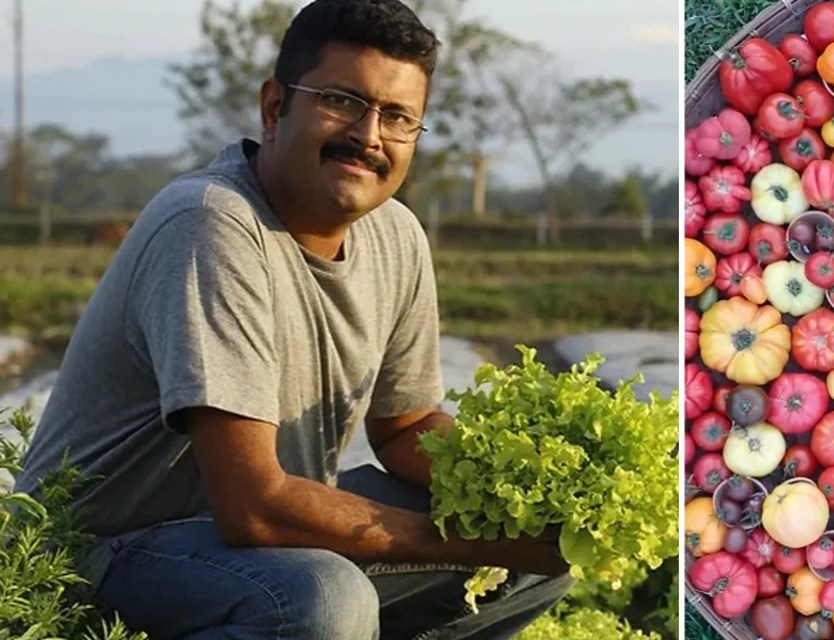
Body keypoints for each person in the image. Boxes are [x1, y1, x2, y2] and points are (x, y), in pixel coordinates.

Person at [13, 0, 573, 638]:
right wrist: (479, 546)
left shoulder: (397, 236)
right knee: (320, 598)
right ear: (276, 107)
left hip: (248, 547)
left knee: (536, 554)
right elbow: (254, 508)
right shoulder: (212, 223)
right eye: (342, 100)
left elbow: (406, 426)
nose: (368, 135)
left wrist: (529, 504)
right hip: (106, 554)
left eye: (397, 117)